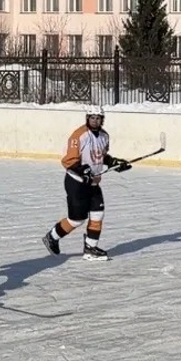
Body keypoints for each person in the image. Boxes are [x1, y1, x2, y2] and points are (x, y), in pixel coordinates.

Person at [41, 106, 132, 261]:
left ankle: (91, 248)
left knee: (98, 214)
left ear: (102, 120)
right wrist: (83, 171)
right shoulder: (79, 135)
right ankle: (52, 236)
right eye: (92, 118)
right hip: (76, 183)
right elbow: (69, 161)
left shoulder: (104, 136)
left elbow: (101, 156)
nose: (95, 121)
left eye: (98, 118)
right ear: (87, 118)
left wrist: (115, 163)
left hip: (93, 183)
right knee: (76, 220)